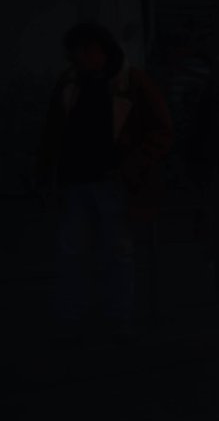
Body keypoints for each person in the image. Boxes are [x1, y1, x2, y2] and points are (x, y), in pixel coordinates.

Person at [37, 23, 173, 336]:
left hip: (113, 181)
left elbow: (161, 131)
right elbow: (52, 134)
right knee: (75, 253)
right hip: (77, 181)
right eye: (77, 51)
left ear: (102, 50)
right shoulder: (71, 83)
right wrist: (46, 175)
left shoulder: (132, 83)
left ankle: (115, 319)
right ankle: (75, 318)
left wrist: (131, 167)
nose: (81, 57)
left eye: (87, 50)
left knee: (115, 252)